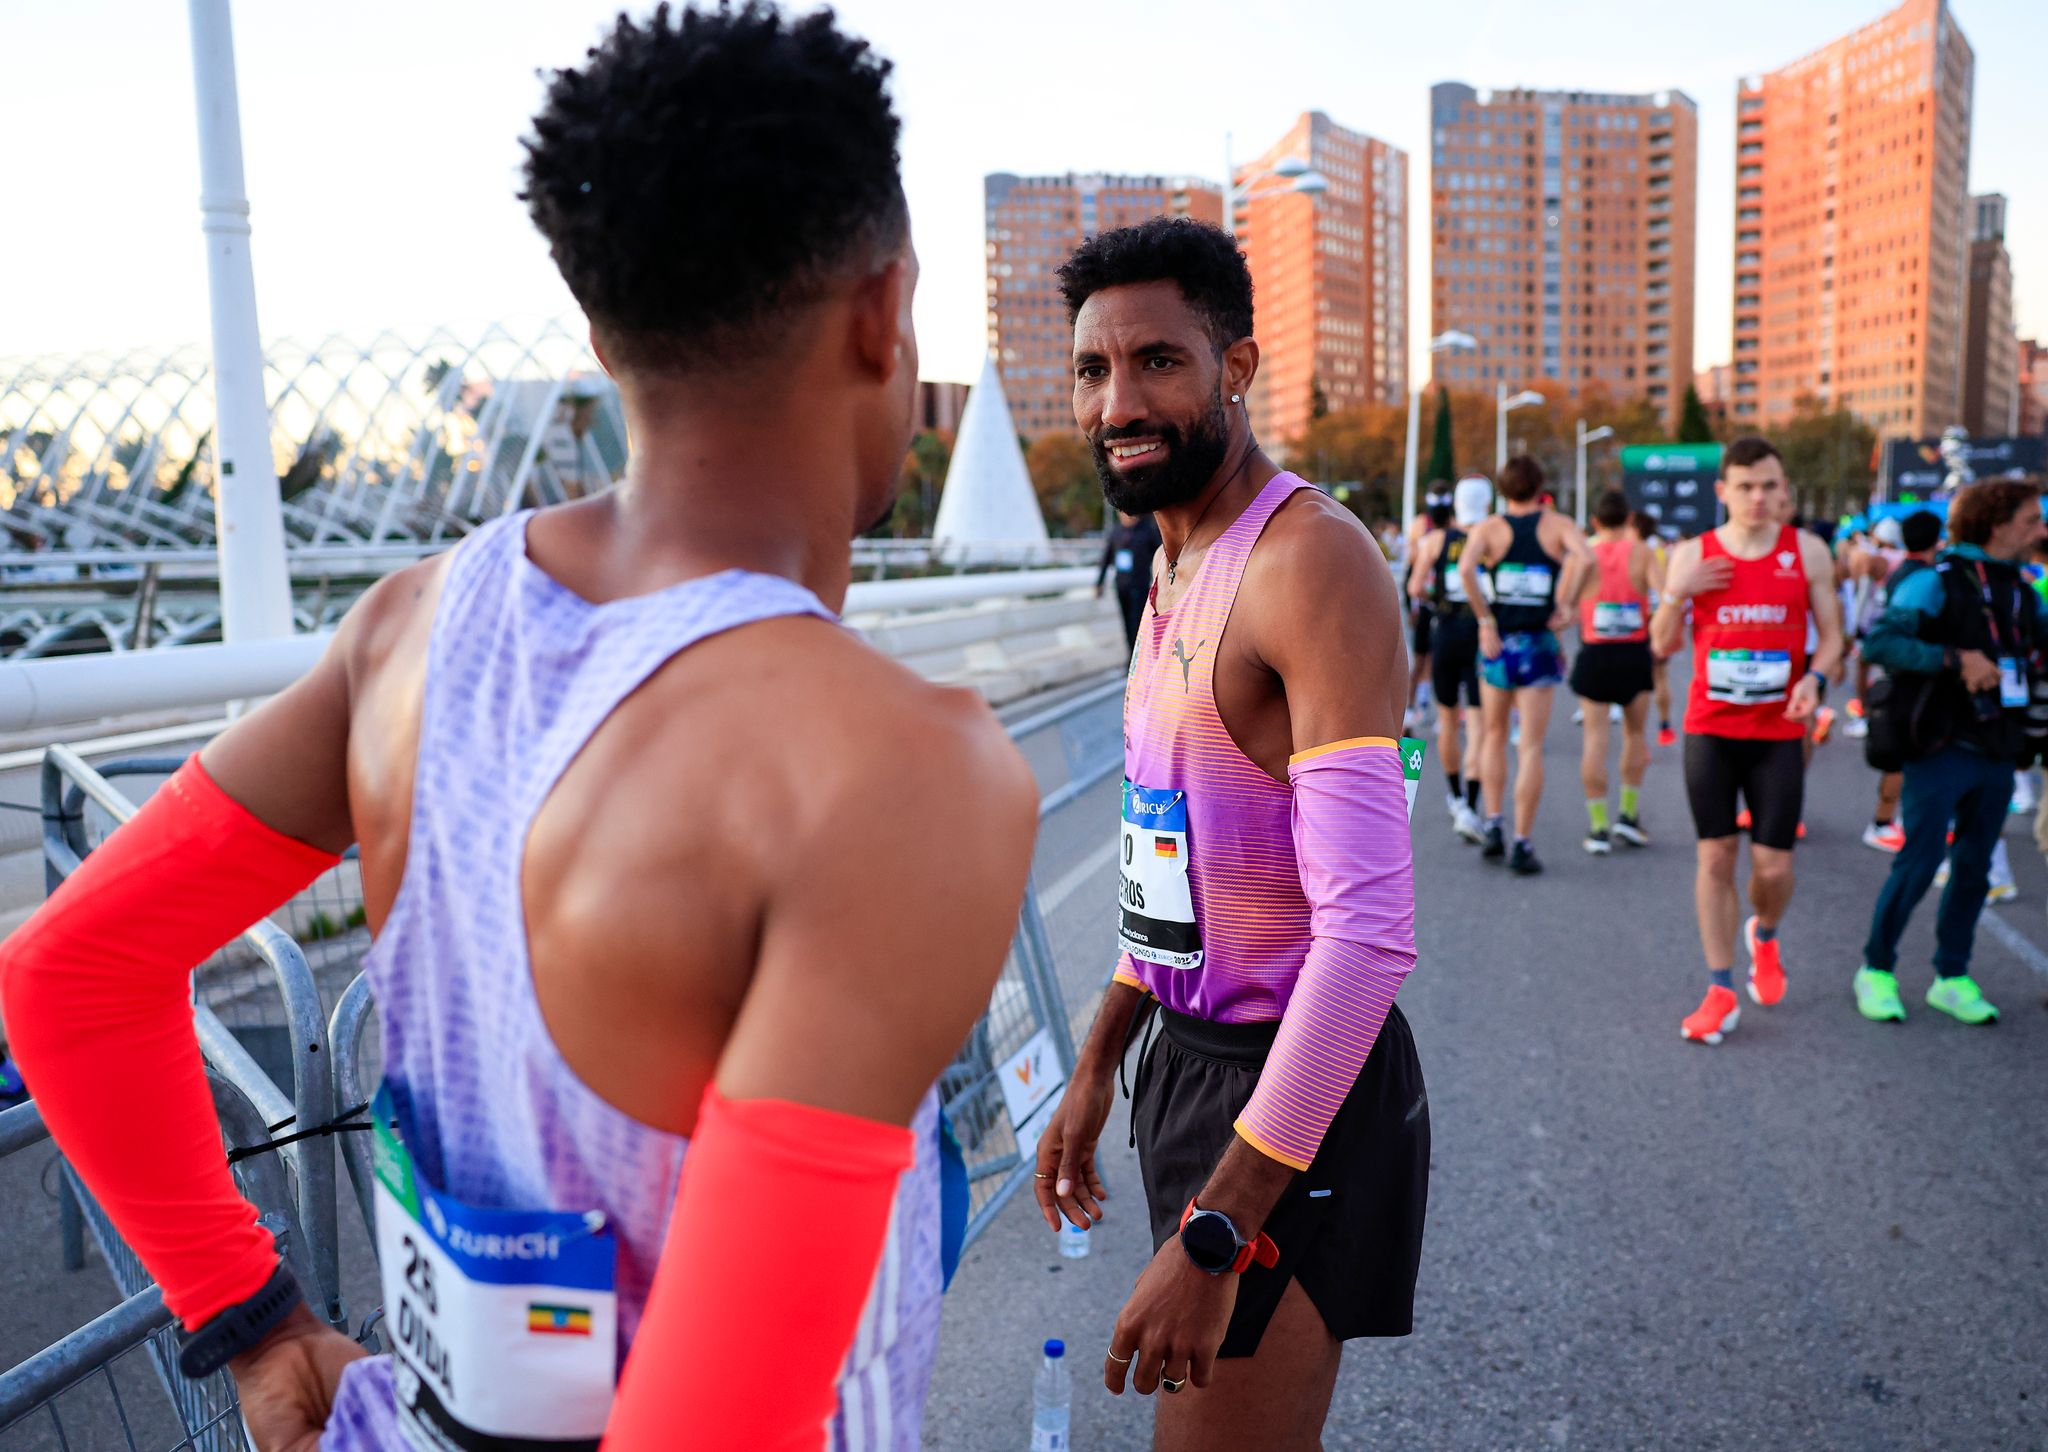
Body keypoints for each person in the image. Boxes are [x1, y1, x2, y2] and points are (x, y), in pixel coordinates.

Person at [0, 7, 1039, 1448]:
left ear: (600, 330)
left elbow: (70, 973)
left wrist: (252, 1322)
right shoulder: (897, 770)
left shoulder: (407, 628)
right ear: (884, 308)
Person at [1032, 217, 1426, 1452]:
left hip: (1289, 1090)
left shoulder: (1307, 563)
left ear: (1236, 367)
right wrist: (1099, 1058)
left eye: (1157, 361)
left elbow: (1367, 936)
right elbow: (1173, 858)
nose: (1116, 404)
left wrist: (1217, 1231)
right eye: (1092, 370)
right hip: (1186, 1067)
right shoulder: (1172, 558)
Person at [1651, 437, 1842, 1045]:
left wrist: (1815, 679)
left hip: (1778, 731)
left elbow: (1833, 639)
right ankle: (1720, 987)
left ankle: (1764, 933)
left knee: (1773, 868)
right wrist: (1678, 592)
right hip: (1711, 728)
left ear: (1783, 489)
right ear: (1723, 491)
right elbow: (1661, 644)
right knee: (1714, 857)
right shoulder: (1692, 554)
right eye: (1745, 487)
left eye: (1768, 486)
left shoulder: (1807, 551)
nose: (1758, 498)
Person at [1852, 479, 2046, 1025]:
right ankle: (1876, 969)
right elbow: (1880, 642)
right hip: (1940, 745)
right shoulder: (1936, 581)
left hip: (1998, 748)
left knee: (1975, 867)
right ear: (1997, 525)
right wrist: (1955, 659)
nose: (2041, 529)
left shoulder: (2022, 590)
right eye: (2031, 520)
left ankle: (1952, 976)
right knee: (1920, 862)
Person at [1458, 455, 1589, 875]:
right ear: (1540, 487)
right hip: (1538, 644)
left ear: (1502, 488)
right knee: (1530, 745)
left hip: (1498, 643)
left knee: (1493, 736)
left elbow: (1465, 568)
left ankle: (1494, 823)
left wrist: (1484, 619)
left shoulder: (1489, 528)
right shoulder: (1557, 525)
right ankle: (1521, 841)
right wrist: (1567, 605)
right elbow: (1586, 558)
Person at [1566, 489, 1655, 853]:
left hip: (1596, 653)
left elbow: (1565, 603)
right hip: (1634, 653)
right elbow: (1666, 595)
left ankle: (1599, 826)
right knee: (1635, 734)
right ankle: (1628, 816)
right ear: (1630, 519)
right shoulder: (1643, 552)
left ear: (1595, 521)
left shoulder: (1584, 555)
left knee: (1594, 739)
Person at [1407, 484, 1488, 842]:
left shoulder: (1435, 540)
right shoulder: (1488, 537)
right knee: (1480, 724)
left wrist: (1438, 598)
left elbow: (1414, 587)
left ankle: (1455, 798)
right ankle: (1470, 804)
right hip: (1478, 635)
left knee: (1448, 720)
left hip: (1446, 632)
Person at [1860, 510, 1943, 853]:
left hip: (1896, 678)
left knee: (1904, 758)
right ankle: (1882, 823)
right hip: (1904, 682)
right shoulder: (1920, 577)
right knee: (1901, 758)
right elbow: (1879, 639)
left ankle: (1893, 823)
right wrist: (1942, 657)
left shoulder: (1901, 570)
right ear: (1937, 540)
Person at [1634, 512, 1678, 746]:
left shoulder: (1634, 551)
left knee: (1638, 679)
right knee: (1660, 675)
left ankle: (1637, 736)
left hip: (1639, 617)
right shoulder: (1664, 550)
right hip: (1660, 615)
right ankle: (1664, 725)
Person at [1102, 509, 1164, 650]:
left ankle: (1139, 654)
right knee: (1126, 623)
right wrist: (1099, 582)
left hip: (1140, 586)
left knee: (1137, 623)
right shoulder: (1116, 532)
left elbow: (1161, 554)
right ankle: (1130, 654)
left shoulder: (1147, 530)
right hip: (1121, 585)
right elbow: (1106, 558)